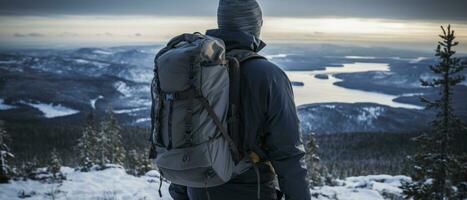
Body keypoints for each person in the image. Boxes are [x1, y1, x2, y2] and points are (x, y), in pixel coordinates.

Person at [169, 0, 311, 199]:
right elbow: (288, 153)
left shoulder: (195, 70)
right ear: (255, 26)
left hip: (198, 190)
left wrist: (181, 193)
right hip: (252, 191)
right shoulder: (268, 75)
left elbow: (184, 135)